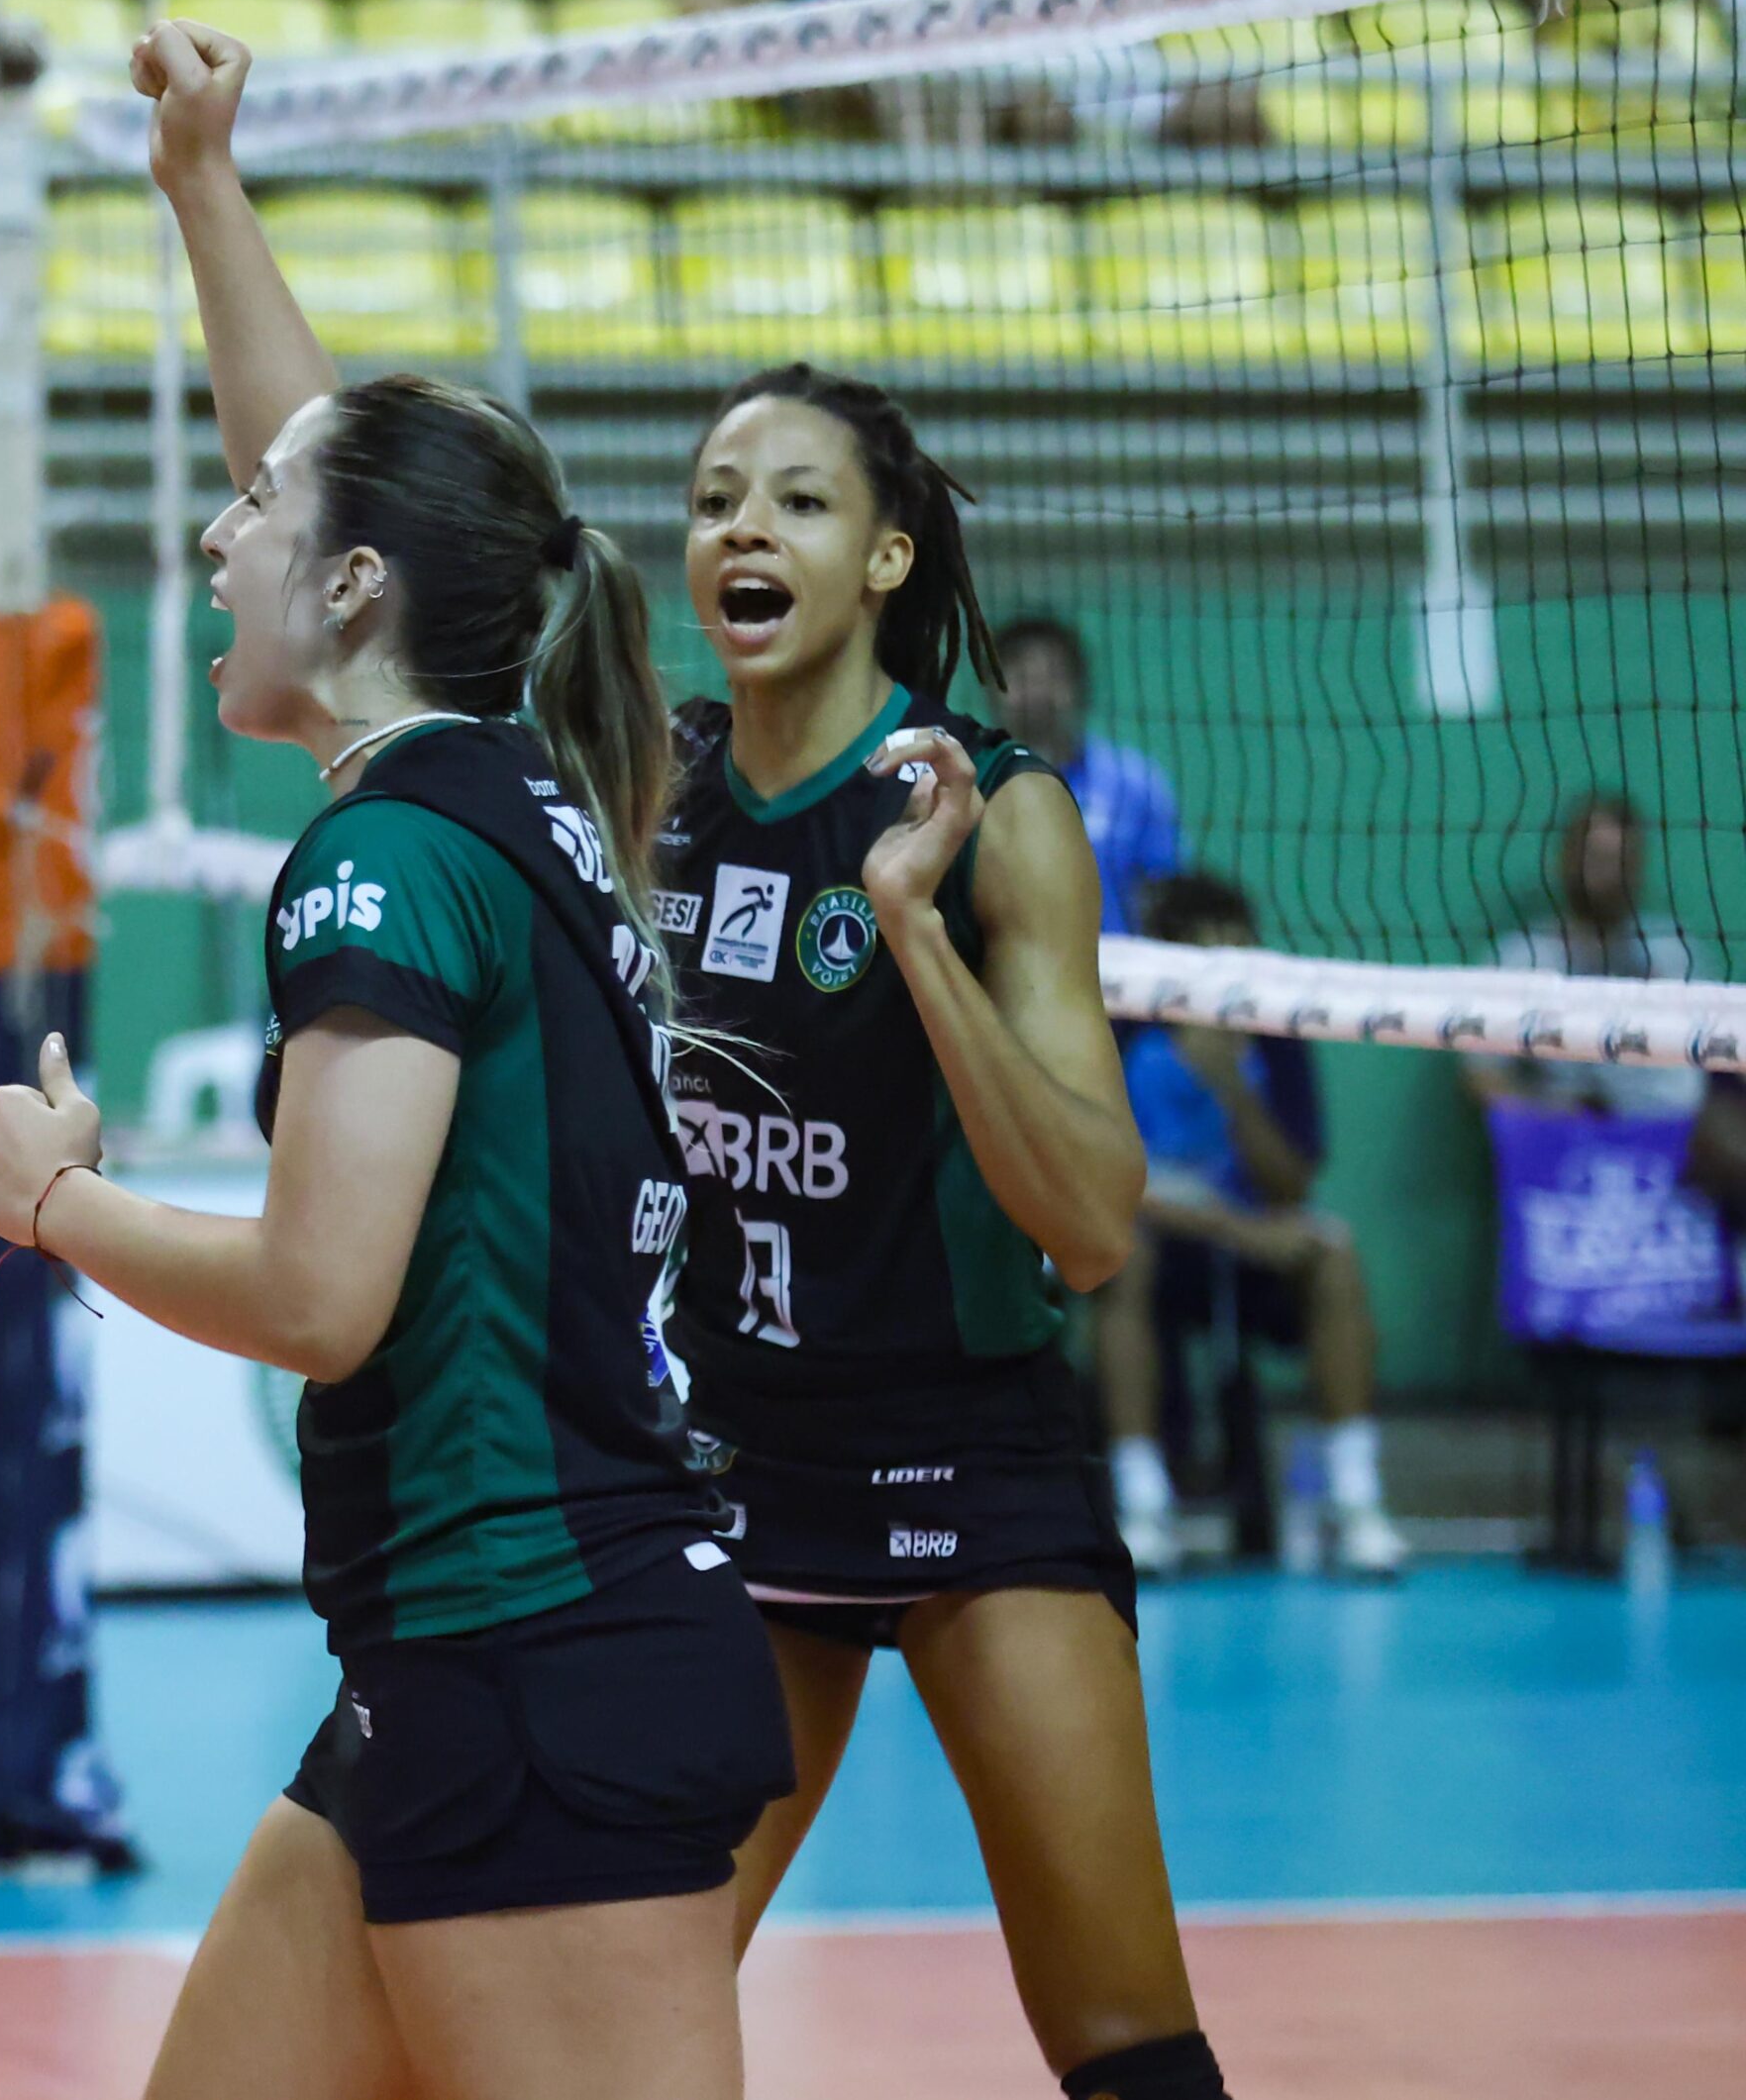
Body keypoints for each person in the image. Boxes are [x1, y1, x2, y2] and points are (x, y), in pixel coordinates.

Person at [0, 21, 791, 2100]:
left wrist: (54, 1205)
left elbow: (325, 1301)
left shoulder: (386, 855)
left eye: (249, 518)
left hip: (538, 1645)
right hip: (458, 1657)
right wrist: (201, 191)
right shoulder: (516, 778)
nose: (209, 537)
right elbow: (333, 486)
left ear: (348, 591)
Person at [658, 364, 1234, 2100]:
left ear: (888, 557)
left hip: (972, 1463)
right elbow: (372, 544)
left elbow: (1092, 1223)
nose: (742, 525)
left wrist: (913, 931)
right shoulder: (653, 788)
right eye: (712, 497)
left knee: (1128, 2039)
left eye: (798, 500)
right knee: (617, 2008)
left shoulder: (1000, 808)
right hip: (737, 1473)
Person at [1090, 872, 1406, 1577]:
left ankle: (1356, 1503)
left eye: (1242, 952)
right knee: (1124, 1258)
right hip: (1147, 1237)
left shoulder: (1272, 1030)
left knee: (1333, 1253)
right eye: (1210, 953)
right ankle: (1144, 1507)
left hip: (1241, 1248)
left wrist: (1232, 1087)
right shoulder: (1119, 1021)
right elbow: (1100, 1180)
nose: (1230, 971)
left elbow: (1291, 1183)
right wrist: (1234, 1229)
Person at [1463, 789, 1703, 1119]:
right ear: (1564, 858)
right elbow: (1482, 1073)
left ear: (1636, 866)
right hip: (1556, 1133)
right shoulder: (1520, 957)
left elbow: (1707, 1061)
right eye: (1593, 857)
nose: (1603, 874)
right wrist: (1548, 1122)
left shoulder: (1670, 949)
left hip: (1661, 1131)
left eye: (1617, 859)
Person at [993, 614, 1182, 937]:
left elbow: (1164, 894)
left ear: (1077, 687)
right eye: (1022, 677)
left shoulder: (1133, 784)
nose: (1037, 691)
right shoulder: (965, 779)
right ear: (993, 688)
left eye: (1051, 676)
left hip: (1119, 975)